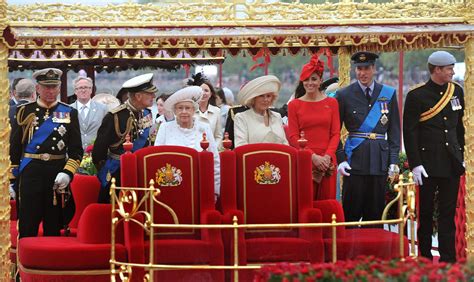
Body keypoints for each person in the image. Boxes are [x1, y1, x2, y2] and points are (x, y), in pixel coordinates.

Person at [403, 51, 464, 263]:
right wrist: (416, 164)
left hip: (451, 163)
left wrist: (462, 154)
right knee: (426, 215)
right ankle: (425, 259)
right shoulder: (416, 96)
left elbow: (460, 127)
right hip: (427, 164)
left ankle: (449, 260)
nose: (452, 72)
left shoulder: (456, 91)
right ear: (437, 70)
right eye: (449, 68)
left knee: (448, 215)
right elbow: (409, 132)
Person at [9, 68, 83, 238]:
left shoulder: (69, 112)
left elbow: (76, 150)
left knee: (53, 226)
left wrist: (67, 173)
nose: (50, 91)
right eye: (46, 87)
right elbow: (14, 148)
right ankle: (25, 262)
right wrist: (12, 180)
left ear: (59, 88)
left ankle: (50, 263)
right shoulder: (24, 111)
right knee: (27, 225)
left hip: (55, 174)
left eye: (54, 87)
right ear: (38, 88)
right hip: (30, 173)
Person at [335, 51, 400, 225]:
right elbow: (334, 131)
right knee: (350, 214)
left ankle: (374, 253)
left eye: (366, 68)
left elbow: (394, 131)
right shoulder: (344, 95)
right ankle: (349, 252)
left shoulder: (388, 93)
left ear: (374, 69)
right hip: (354, 161)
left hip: (379, 161)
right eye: (359, 69)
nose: (362, 73)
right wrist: (341, 159)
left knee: (375, 216)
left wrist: (393, 161)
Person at [92, 73, 156, 203]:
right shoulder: (115, 116)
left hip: (141, 171)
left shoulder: (147, 113)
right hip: (118, 172)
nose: (153, 97)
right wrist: (106, 171)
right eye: (150, 94)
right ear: (138, 96)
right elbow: (98, 152)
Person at [288, 55, 340, 200]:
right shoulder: (294, 105)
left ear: (320, 81)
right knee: (305, 203)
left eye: (314, 79)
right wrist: (313, 157)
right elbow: (293, 137)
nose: (309, 83)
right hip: (305, 159)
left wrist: (327, 157)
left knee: (328, 203)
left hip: (327, 162)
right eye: (306, 79)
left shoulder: (332, 103)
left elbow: (335, 134)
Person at [155, 86, 221, 199]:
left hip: (199, 187)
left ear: (193, 110)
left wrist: (214, 191)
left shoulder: (205, 128)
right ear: (175, 111)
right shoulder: (164, 128)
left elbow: (215, 161)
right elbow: (157, 160)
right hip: (172, 186)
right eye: (180, 108)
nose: (184, 112)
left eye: (187, 108)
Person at [234, 75, 288, 147]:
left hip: (278, 157)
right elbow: (240, 146)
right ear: (253, 99)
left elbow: (285, 143)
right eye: (261, 96)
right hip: (253, 157)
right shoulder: (241, 118)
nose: (265, 100)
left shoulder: (277, 116)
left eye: (268, 96)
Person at [70, 76, 108, 150]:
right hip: (74, 156)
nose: (83, 90)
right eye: (80, 88)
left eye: (86, 87)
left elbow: (107, 133)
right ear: (75, 91)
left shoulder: (103, 109)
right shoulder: (68, 110)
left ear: (91, 90)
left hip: (96, 154)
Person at [188, 73, 223, 147]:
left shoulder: (217, 111)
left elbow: (218, 136)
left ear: (210, 94)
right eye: (201, 90)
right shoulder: (189, 110)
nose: (203, 93)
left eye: (206, 91)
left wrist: (214, 150)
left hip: (211, 152)